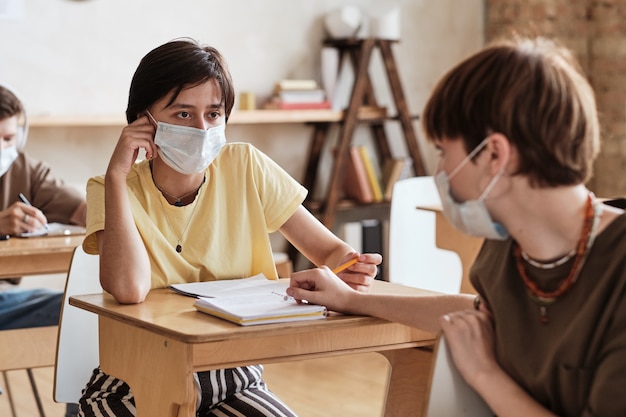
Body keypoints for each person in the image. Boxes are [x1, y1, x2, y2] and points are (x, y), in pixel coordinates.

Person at [287, 36, 626, 417]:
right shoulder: (509, 244)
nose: (441, 172)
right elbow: (481, 314)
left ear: (494, 155)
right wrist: (351, 300)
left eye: (443, 152)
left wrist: (485, 373)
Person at [78, 38, 381, 417]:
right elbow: (127, 289)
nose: (202, 129)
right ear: (143, 120)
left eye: (214, 114)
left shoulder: (246, 166)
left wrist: (350, 267)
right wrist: (118, 173)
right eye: (183, 114)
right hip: (131, 385)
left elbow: (332, 252)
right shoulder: (109, 187)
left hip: (234, 382)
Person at [0, 85, 86, 417]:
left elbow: (86, 211)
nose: (2, 148)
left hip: (6, 300)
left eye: (8, 139)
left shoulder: (26, 171)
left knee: (86, 311)